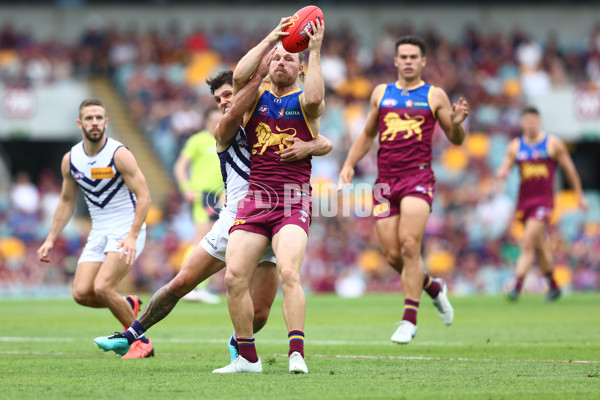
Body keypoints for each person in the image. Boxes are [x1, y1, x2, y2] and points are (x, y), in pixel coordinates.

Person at [93, 61, 332, 359]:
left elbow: (321, 138)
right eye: (218, 99)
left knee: (260, 313)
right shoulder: (224, 129)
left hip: (279, 214)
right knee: (182, 282)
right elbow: (238, 114)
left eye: (228, 94)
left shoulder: (271, 115)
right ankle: (130, 334)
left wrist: (311, 146)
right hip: (236, 218)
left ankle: (239, 343)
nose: (224, 102)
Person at [212, 16, 327, 374]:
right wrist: (271, 40)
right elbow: (239, 76)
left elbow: (316, 98)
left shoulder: (305, 101)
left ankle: (296, 354)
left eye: (288, 59)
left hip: (293, 199)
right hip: (256, 199)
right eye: (276, 58)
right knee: (232, 278)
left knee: (289, 273)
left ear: (300, 67)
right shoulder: (254, 97)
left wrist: (315, 50)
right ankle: (247, 359)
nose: (280, 63)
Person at [338, 35, 469, 345]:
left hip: (417, 179)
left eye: (414, 57)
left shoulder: (435, 96)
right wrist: (348, 164)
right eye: (404, 56)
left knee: (411, 246)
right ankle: (433, 288)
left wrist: (459, 123)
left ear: (423, 61)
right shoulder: (381, 94)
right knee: (394, 256)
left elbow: (456, 139)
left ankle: (409, 319)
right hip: (385, 182)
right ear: (395, 61)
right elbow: (367, 134)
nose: (409, 61)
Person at [37, 98, 152, 358]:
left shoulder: (118, 154)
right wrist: (50, 239)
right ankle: (128, 305)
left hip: (126, 229)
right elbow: (67, 201)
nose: (95, 122)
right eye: (89, 118)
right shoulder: (71, 159)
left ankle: (141, 343)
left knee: (102, 288)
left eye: (99, 118)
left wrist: (133, 235)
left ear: (106, 122)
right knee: (81, 293)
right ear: (80, 124)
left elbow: (144, 196)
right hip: (99, 230)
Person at [496, 106, 588, 302]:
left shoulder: (552, 144)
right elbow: (505, 166)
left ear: (540, 122)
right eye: (527, 121)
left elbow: (570, 170)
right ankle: (554, 286)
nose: (531, 124)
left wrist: (579, 195)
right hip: (524, 202)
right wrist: (502, 173)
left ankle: (517, 286)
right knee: (539, 245)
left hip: (544, 201)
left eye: (534, 120)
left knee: (528, 241)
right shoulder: (515, 146)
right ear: (522, 123)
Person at [173, 108, 223, 303]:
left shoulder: (226, 139)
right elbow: (180, 166)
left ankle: (198, 286)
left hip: (221, 195)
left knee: (214, 241)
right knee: (202, 240)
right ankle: (186, 284)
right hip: (204, 194)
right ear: (206, 121)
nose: (217, 123)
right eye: (214, 120)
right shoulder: (198, 141)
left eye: (221, 119)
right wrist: (186, 187)